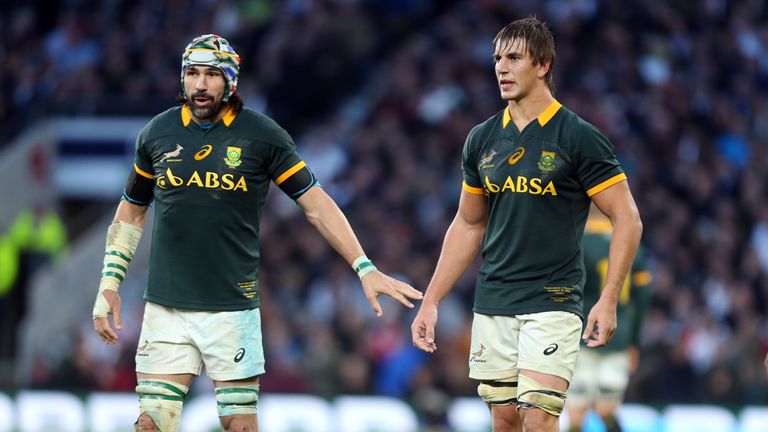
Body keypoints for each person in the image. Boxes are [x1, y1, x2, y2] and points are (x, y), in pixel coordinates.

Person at [92, 34, 422, 432]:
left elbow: (315, 204)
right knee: (151, 423)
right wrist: (110, 281)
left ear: (230, 81)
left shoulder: (262, 136)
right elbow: (131, 208)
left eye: (211, 75)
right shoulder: (157, 133)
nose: (199, 84)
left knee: (240, 426)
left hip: (232, 310)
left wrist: (364, 266)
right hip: (166, 307)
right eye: (192, 73)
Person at [410, 16, 643, 432]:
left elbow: (627, 218)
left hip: (553, 300)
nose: (501, 67)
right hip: (495, 299)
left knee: (538, 417)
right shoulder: (481, 139)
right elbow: (467, 224)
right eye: (497, 57)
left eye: (514, 57)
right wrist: (432, 299)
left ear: (543, 65)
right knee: (503, 420)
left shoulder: (578, 137)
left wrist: (608, 298)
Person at [566, 206, 652, 432]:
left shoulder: (577, 243)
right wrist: (634, 342)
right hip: (619, 335)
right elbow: (643, 297)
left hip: (581, 334)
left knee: (575, 413)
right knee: (607, 409)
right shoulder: (634, 246)